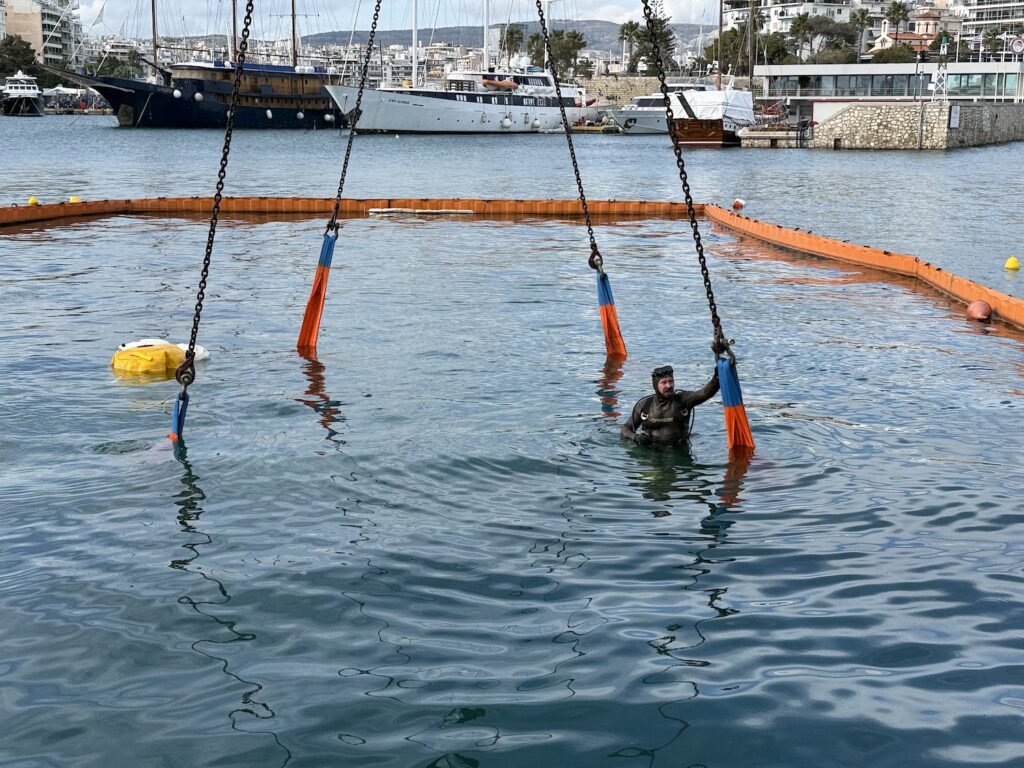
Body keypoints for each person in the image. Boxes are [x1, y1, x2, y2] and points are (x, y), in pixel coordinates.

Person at [621, 360, 720, 448]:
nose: (669, 385)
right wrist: (636, 437)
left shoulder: (684, 400)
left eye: (671, 381)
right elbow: (626, 428)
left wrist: (717, 377)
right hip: (652, 453)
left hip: (679, 452)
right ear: (655, 385)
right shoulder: (644, 405)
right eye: (664, 382)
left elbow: (705, 393)